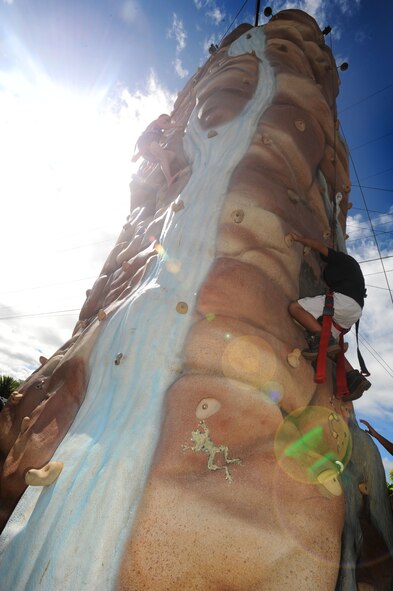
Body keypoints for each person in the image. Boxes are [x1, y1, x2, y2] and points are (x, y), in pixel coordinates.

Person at [288, 233, 371, 401]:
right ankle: (353, 378)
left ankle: (322, 340)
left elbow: (319, 246)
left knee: (295, 308)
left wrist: (300, 239)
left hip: (344, 302)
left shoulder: (341, 259)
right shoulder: (352, 271)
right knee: (330, 346)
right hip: (352, 312)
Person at [131, 114, 182, 187]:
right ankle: (169, 179)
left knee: (171, 155)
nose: (167, 121)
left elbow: (165, 137)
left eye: (168, 121)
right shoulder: (156, 122)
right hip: (148, 146)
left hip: (149, 153)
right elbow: (166, 126)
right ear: (160, 117)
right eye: (166, 119)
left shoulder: (158, 131)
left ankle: (167, 172)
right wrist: (176, 124)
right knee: (161, 153)